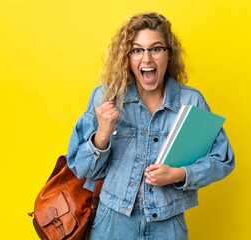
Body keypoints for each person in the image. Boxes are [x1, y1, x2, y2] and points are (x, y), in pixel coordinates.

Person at [67, 11, 235, 240]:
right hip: (113, 224)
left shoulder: (192, 102)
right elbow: (81, 168)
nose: (146, 59)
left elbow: (223, 160)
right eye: (137, 50)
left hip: (168, 226)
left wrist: (179, 174)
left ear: (168, 54)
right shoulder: (105, 97)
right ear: (126, 57)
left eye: (155, 49)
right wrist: (102, 136)